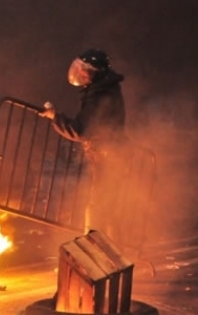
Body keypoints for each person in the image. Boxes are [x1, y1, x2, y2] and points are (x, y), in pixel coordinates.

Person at [39, 48, 128, 236]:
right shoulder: (102, 89)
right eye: (78, 67)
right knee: (107, 208)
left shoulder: (100, 96)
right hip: (109, 155)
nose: (79, 72)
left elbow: (81, 130)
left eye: (83, 69)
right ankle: (107, 253)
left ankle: (98, 253)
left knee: (99, 207)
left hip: (108, 157)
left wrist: (55, 117)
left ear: (95, 72)